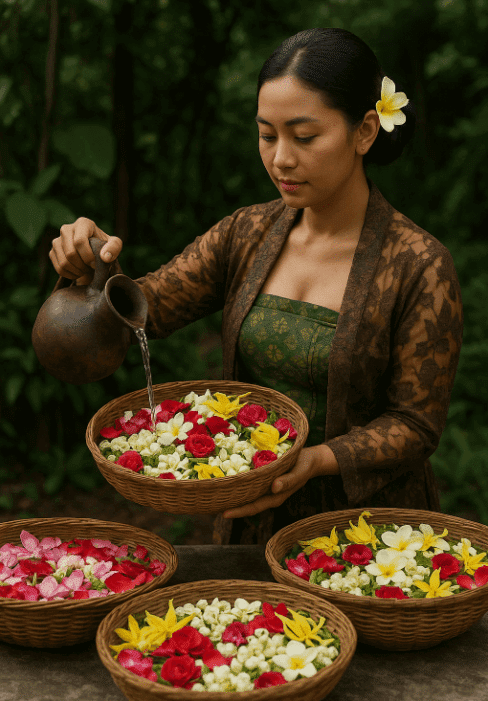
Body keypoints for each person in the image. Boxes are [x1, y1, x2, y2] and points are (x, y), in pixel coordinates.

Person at [48, 28, 463, 544]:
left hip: (370, 538)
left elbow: (415, 424)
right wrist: (93, 268)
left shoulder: (419, 265)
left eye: (304, 137)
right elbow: (144, 309)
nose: (281, 158)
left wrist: (315, 461)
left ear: (364, 131)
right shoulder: (246, 234)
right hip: (253, 520)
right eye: (268, 135)